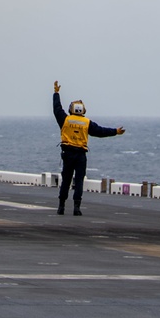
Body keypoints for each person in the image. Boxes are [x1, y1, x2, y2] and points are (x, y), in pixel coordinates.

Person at [52, 81, 125, 216]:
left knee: (66, 180)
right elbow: (100, 131)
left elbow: (57, 109)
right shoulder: (86, 123)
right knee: (79, 181)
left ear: (71, 109)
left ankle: (61, 206)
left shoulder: (65, 120)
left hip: (67, 153)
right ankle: (76, 207)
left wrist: (56, 93)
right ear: (83, 110)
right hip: (80, 155)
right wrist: (115, 131)